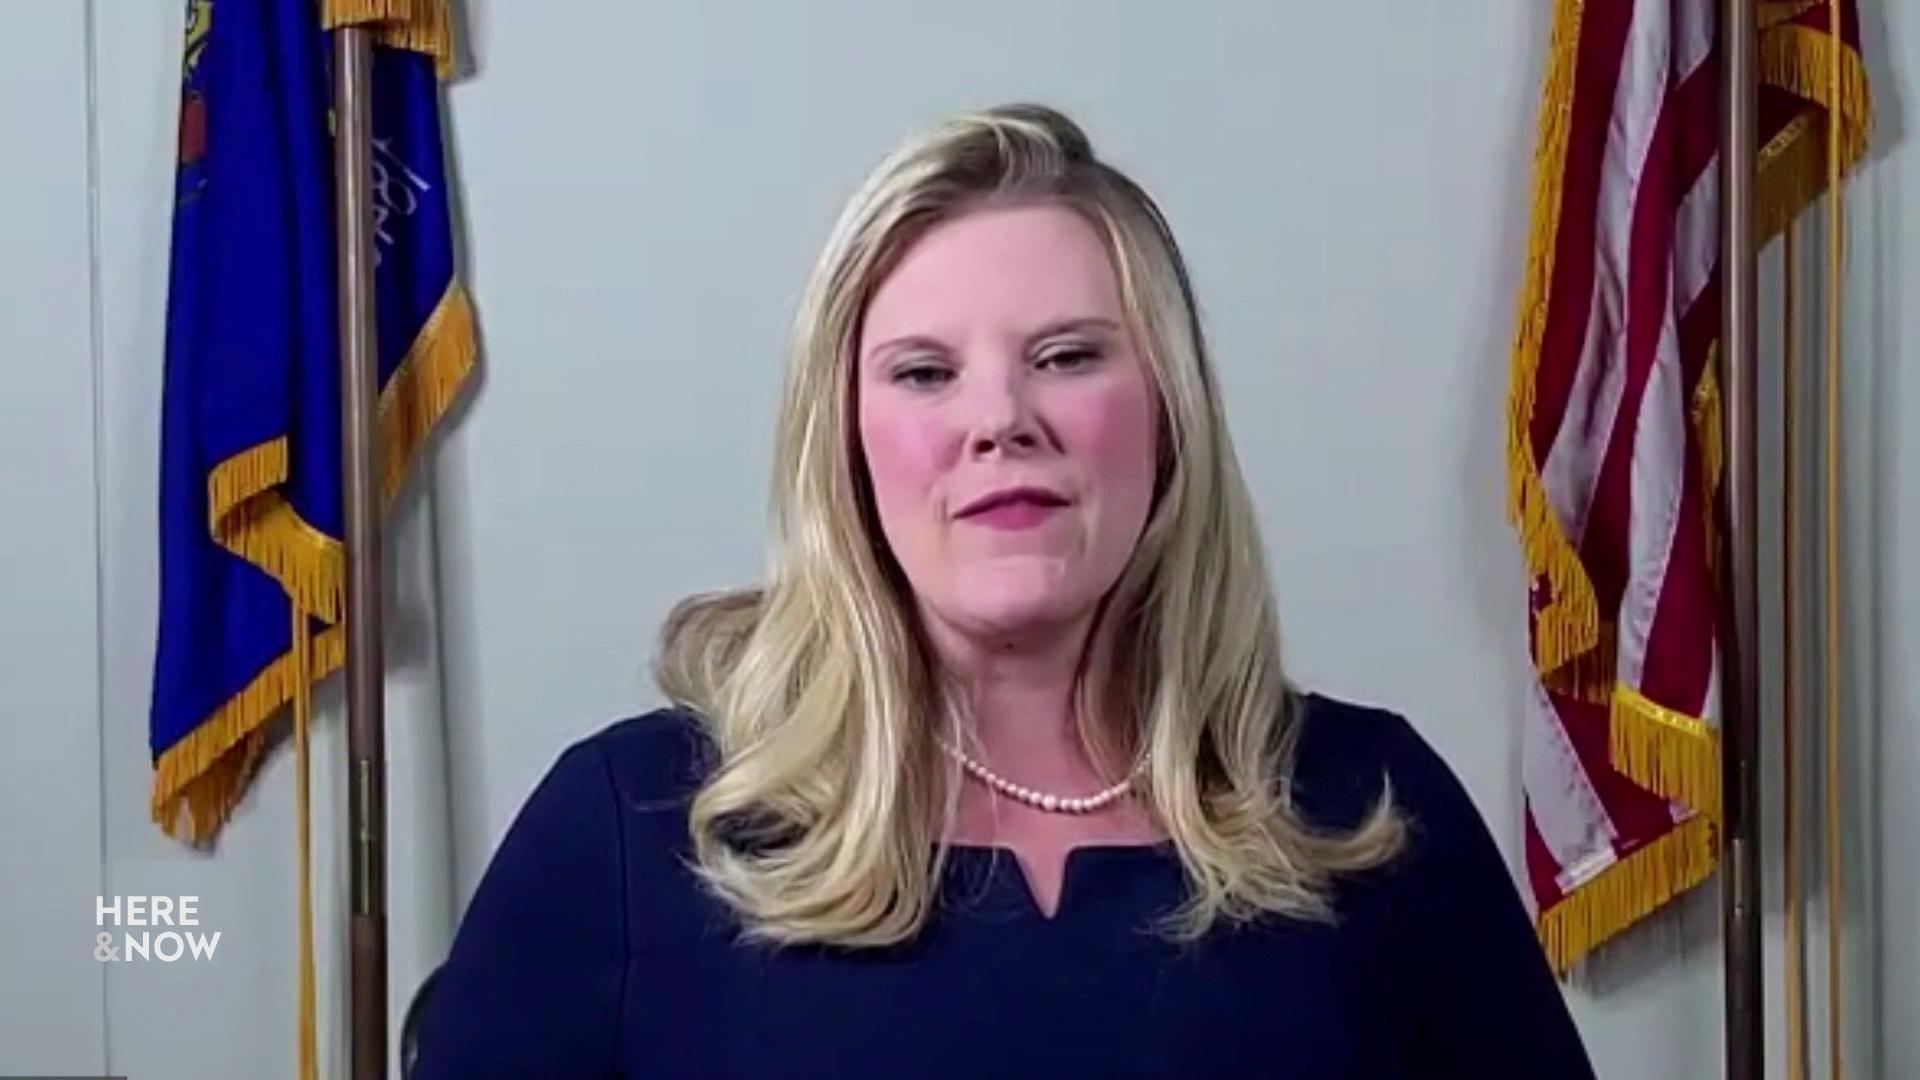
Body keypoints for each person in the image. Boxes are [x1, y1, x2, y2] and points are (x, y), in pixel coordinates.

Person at [410, 103, 1595, 1078]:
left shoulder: (1364, 809)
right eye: (924, 373)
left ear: (1169, 415)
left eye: (1069, 357)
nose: (999, 422)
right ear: (848, 446)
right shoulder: (632, 828)